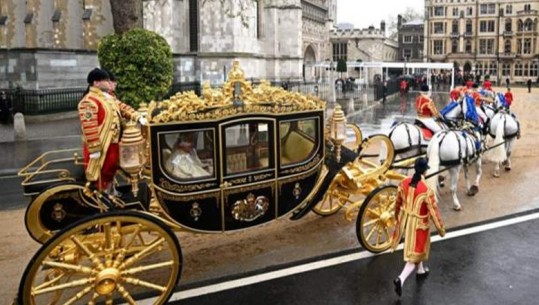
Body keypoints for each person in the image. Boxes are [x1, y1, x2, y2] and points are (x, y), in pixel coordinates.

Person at [78, 68, 140, 193]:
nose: (109, 83)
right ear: (96, 83)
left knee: (110, 169)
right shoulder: (89, 101)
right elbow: (89, 127)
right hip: (101, 145)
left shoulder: (107, 97)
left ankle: (110, 192)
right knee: (101, 172)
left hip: (112, 142)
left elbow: (122, 107)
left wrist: (137, 116)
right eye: (106, 80)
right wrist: (94, 149)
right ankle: (101, 196)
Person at [391, 157, 446, 297]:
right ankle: (401, 279)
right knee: (414, 254)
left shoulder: (404, 182)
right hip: (418, 226)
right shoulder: (426, 190)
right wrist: (441, 229)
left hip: (405, 221)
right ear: (424, 171)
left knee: (419, 250)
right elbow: (434, 212)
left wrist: (396, 216)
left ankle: (420, 270)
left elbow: (397, 203)